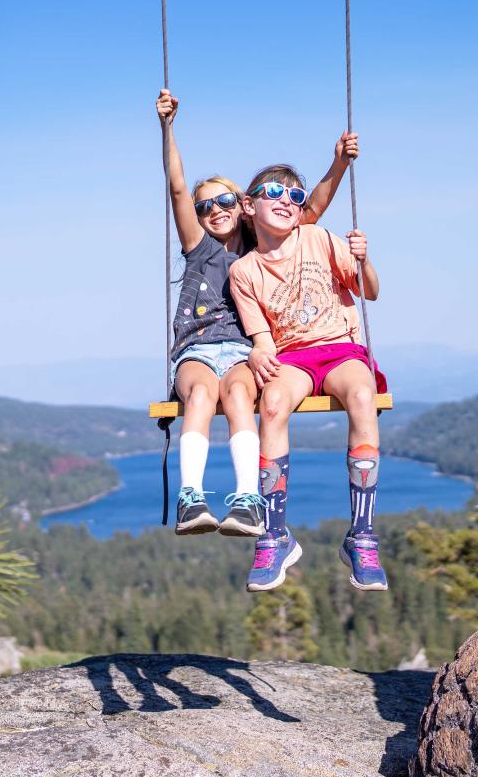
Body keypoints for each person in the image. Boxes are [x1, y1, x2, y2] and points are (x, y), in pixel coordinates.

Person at [156, 90, 357, 535]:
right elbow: (175, 187)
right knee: (201, 396)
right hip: (199, 350)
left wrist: (338, 164)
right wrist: (168, 128)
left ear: (244, 206)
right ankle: (193, 498)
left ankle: (247, 499)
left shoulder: (262, 245)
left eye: (225, 201)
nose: (215, 211)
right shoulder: (199, 249)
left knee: (240, 398)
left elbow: (314, 207)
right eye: (204, 206)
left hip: (245, 352)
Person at [228, 164, 388, 592]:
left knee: (361, 394)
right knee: (274, 404)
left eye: (296, 197)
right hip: (292, 356)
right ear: (249, 205)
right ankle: (274, 534)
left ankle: (362, 535)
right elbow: (261, 335)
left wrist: (363, 259)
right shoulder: (244, 271)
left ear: (302, 212)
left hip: (340, 345)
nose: (286, 201)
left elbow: (368, 290)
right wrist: (261, 350)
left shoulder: (316, 238)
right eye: (274, 192)